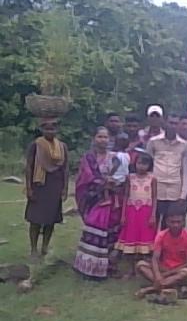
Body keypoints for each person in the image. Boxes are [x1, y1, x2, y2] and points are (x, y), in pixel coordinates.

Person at [73, 127, 123, 280]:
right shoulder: (88, 158)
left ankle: (108, 266)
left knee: (111, 232)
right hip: (94, 199)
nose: (103, 140)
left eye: (105, 137)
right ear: (94, 138)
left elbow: (122, 176)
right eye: (100, 136)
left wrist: (114, 184)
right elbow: (86, 176)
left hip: (112, 200)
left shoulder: (115, 158)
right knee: (94, 229)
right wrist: (103, 183)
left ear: (110, 139)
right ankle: (88, 267)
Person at [24, 118, 69, 258]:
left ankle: (44, 247)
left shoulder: (62, 146)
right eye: (47, 129)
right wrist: (29, 188)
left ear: (57, 130)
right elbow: (29, 166)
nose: (50, 132)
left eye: (52, 129)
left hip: (55, 186)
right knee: (35, 220)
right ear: (42, 130)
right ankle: (33, 249)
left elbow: (65, 168)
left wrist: (65, 188)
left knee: (51, 220)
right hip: (39, 185)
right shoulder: (36, 145)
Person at [134, 202, 187, 299]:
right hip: (164, 267)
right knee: (140, 265)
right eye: (172, 222)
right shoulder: (161, 235)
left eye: (178, 222)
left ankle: (150, 289)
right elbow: (155, 258)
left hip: (179, 270)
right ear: (167, 222)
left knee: (185, 274)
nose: (175, 225)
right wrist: (158, 275)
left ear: (184, 222)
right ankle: (169, 286)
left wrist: (165, 274)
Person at [114, 153, 157, 278]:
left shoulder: (152, 178)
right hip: (132, 212)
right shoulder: (130, 178)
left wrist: (153, 215)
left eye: (145, 164)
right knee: (130, 240)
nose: (141, 166)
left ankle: (144, 269)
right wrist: (123, 215)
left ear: (149, 165)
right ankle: (130, 269)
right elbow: (126, 196)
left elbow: (154, 197)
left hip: (146, 212)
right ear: (135, 163)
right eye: (139, 163)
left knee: (145, 242)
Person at [146, 113, 187, 229]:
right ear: (165, 123)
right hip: (156, 187)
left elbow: (185, 170)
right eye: (171, 123)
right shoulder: (154, 141)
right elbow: (147, 165)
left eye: (176, 123)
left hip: (174, 190)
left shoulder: (184, 145)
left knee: (169, 223)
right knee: (152, 222)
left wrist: (183, 193)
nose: (173, 126)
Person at [102, 133, 130, 206]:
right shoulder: (127, 155)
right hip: (124, 177)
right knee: (116, 192)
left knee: (106, 186)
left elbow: (115, 165)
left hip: (116, 177)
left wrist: (110, 174)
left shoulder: (117, 155)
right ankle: (116, 203)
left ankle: (107, 199)